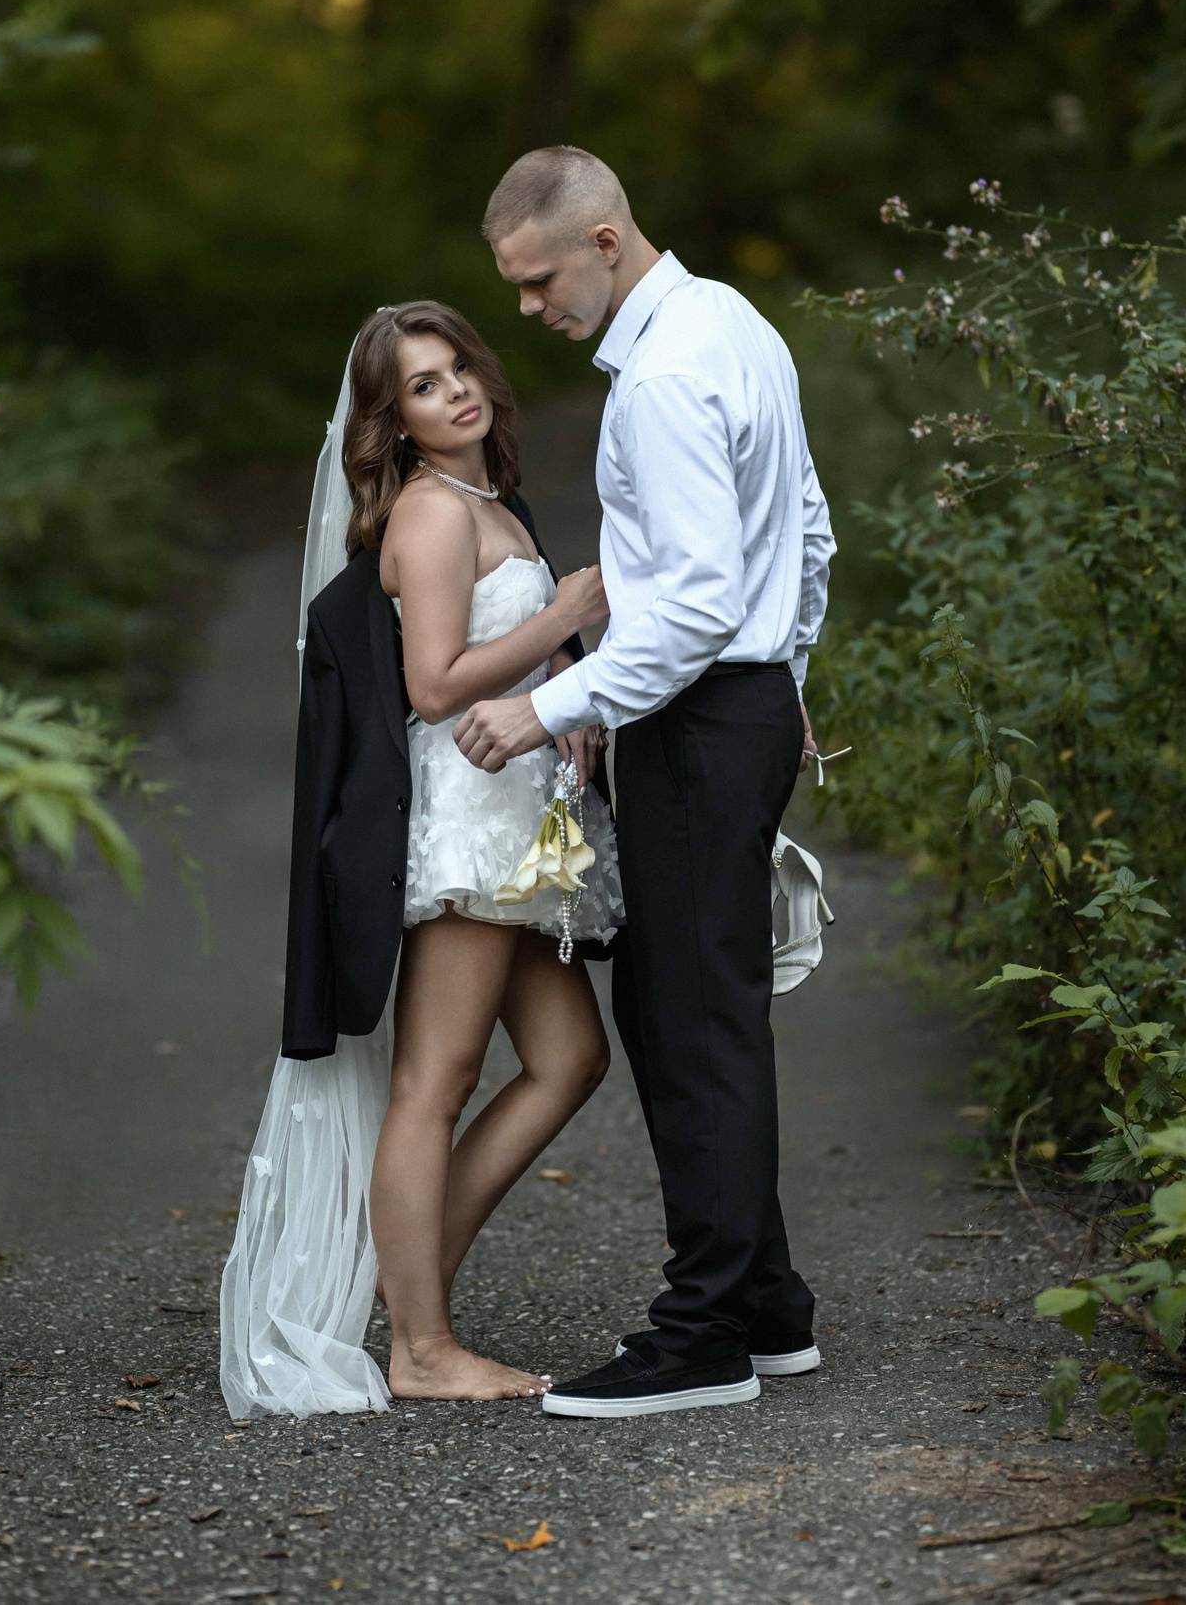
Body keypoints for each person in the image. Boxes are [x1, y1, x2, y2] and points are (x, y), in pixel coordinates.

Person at [456, 146, 836, 1419]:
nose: (526, 308)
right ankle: (767, 1306)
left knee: (690, 1022)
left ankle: (704, 1335)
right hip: (733, 708)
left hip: (697, 718)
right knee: (696, 1008)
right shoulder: (735, 323)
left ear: (606, 239)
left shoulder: (666, 375)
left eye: (537, 278)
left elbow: (695, 602)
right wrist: (781, 674)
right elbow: (809, 535)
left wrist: (548, 706)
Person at [220, 300, 622, 1415]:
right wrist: (565, 618)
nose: (453, 391)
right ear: (391, 423)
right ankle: (421, 1346)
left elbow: (499, 683)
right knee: (432, 1082)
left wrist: (566, 704)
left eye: (457, 369)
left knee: (569, 1060)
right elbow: (436, 686)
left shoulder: (491, 502)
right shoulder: (434, 515)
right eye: (421, 385)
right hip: (465, 825)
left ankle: (406, 1290)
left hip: (517, 828)